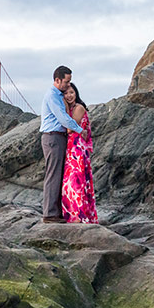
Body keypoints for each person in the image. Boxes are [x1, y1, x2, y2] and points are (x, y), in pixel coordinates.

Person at [40, 66, 89, 223]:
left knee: (59, 175)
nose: (68, 85)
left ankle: (57, 212)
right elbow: (63, 118)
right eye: (66, 82)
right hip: (53, 137)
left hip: (57, 138)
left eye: (70, 82)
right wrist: (80, 130)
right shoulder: (53, 96)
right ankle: (50, 214)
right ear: (57, 80)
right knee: (53, 175)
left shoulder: (58, 95)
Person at [61, 82, 99, 224]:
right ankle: (72, 215)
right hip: (71, 149)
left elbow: (70, 128)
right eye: (65, 93)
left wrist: (63, 107)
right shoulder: (70, 108)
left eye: (71, 92)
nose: (69, 95)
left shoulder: (79, 108)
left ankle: (79, 216)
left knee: (76, 183)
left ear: (76, 93)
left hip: (78, 150)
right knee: (69, 184)